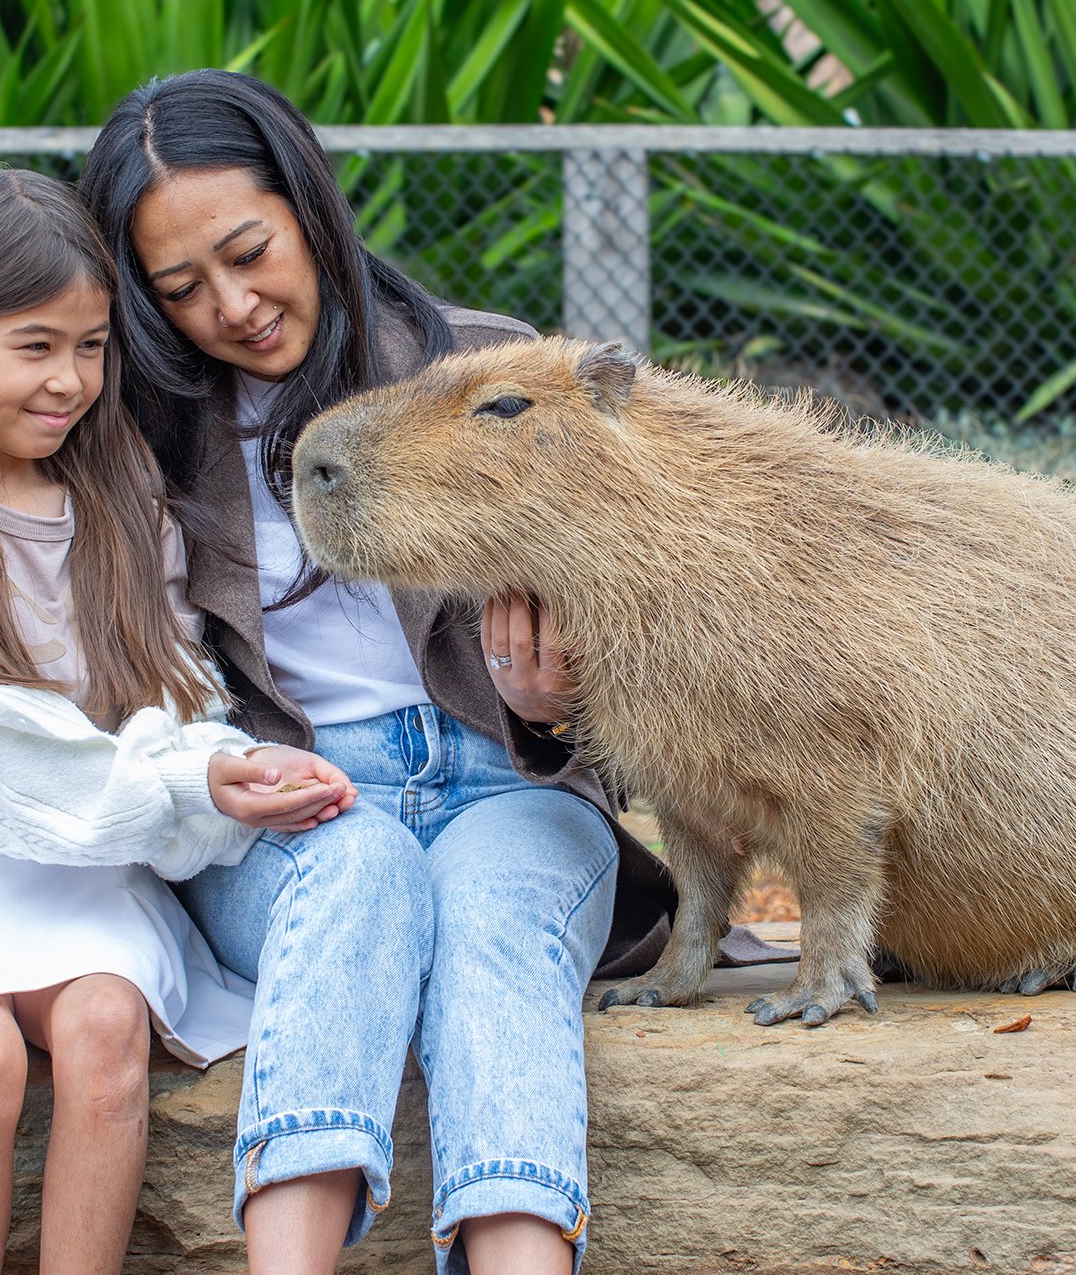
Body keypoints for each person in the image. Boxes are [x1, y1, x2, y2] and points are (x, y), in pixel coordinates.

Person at [74, 69, 779, 1275]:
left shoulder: (498, 376)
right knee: (357, 877)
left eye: (251, 251)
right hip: (293, 812)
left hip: (503, 786)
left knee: (494, 921)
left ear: (307, 204)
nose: (232, 307)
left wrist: (556, 713)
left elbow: (675, 666)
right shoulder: (141, 437)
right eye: (179, 287)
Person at [0, 162, 356, 1275]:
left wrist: (225, 766)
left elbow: (173, 693)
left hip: (92, 871)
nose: (68, 380)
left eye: (91, 345)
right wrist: (166, 783)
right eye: (33, 345)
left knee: (104, 1030)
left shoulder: (121, 503)